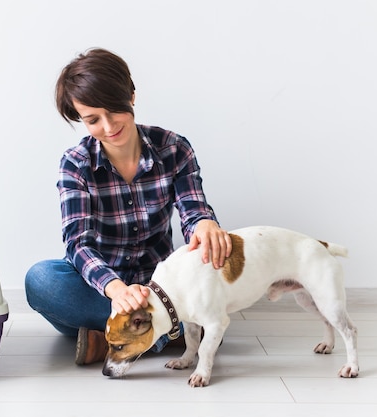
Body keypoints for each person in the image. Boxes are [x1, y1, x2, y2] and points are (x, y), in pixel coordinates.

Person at [25, 48, 232, 365]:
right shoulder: (75, 163)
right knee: (41, 280)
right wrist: (116, 289)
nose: (108, 127)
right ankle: (164, 334)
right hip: (104, 288)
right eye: (93, 120)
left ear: (131, 95)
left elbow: (194, 213)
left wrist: (205, 223)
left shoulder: (174, 148)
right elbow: (78, 243)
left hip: (161, 286)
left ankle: (111, 339)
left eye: (113, 111)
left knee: (212, 271)